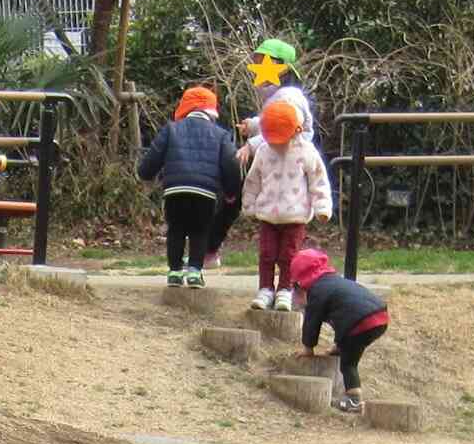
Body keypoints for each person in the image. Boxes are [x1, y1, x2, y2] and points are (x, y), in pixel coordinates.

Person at [137, 85, 240, 287]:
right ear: (212, 113)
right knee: (200, 231)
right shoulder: (220, 134)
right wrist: (231, 190)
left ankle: (174, 271)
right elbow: (230, 163)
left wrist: (146, 173)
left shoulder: (171, 129)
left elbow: (152, 158)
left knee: (176, 230)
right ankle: (194, 271)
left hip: (175, 190)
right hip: (205, 192)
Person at [238, 95, 332, 311]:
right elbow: (253, 180)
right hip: (268, 215)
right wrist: (249, 204)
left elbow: (319, 181)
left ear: (297, 130)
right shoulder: (263, 151)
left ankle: (285, 290)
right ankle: (265, 289)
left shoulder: (307, 152)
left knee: (288, 256)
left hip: (295, 216)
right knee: (267, 253)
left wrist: (322, 207)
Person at [286, 247, 385, 415]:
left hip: (358, 320)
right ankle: (340, 347)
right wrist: (339, 345)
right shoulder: (334, 281)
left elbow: (312, 321)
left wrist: (308, 347)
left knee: (348, 363)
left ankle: (354, 399)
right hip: (380, 315)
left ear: (299, 280)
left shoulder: (317, 291)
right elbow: (342, 315)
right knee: (350, 339)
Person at [238, 36, 316, 144]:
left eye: (263, 62)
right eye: (257, 62)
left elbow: (284, 131)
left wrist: (252, 145)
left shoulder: (289, 98)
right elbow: (273, 123)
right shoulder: (276, 97)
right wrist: (253, 125)